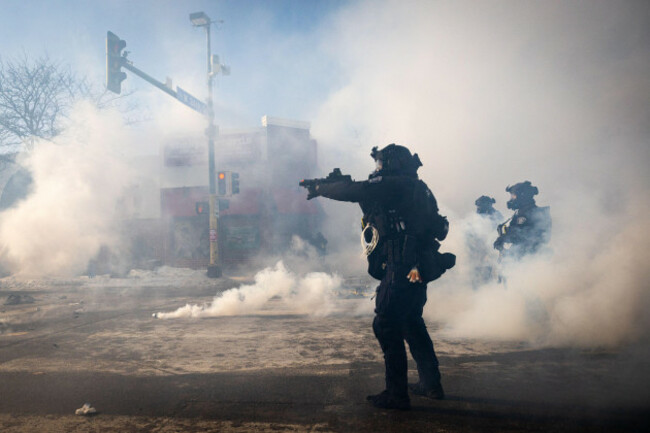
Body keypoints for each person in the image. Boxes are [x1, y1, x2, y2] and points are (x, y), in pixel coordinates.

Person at [301, 143, 455, 410]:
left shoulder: (396, 184)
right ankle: (431, 384)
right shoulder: (417, 187)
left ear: (392, 164)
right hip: (417, 265)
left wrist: (320, 188)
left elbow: (357, 190)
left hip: (401, 263)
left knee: (386, 324)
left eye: (380, 163)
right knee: (412, 322)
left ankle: (396, 394)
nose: (377, 168)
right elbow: (367, 196)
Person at [493, 181, 551, 260]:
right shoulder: (522, 212)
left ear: (522, 196)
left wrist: (503, 239)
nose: (511, 199)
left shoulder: (528, 213)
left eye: (513, 196)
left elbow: (521, 236)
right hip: (525, 254)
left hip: (528, 256)